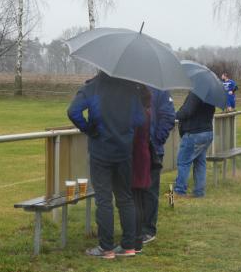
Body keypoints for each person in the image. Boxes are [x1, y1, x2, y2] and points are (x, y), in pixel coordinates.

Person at [67, 72, 144, 259]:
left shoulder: (93, 87)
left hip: (101, 150)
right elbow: (140, 119)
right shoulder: (131, 89)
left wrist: (88, 128)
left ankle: (106, 248)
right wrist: (124, 131)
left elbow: (73, 111)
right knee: (125, 198)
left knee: (104, 200)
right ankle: (129, 246)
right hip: (124, 151)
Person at [141, 88, 175, 245]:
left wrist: (157, 140)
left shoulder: (160, 89)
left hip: (152, 148)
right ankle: (134, 227)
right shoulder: (130, 83)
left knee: (150, 190)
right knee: (133, 189)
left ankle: (148, 230)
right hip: (133, 148)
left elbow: (168, 116)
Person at [174, 92, 215, 197]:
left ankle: (179, 191)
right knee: (200, 162)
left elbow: (187, 111)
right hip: (207, 132)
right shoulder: (210, 94)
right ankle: (199, 192)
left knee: (183, 162)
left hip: (194, 133)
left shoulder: (196, 93)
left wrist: (173, 115)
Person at [131, 87, 152, 254]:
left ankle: (134, 239)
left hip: (135, 157)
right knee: (137, 199)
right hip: (142, 156)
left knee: (133, 199)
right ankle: (137, 237)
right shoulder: (146, 112)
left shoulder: (139, 115)